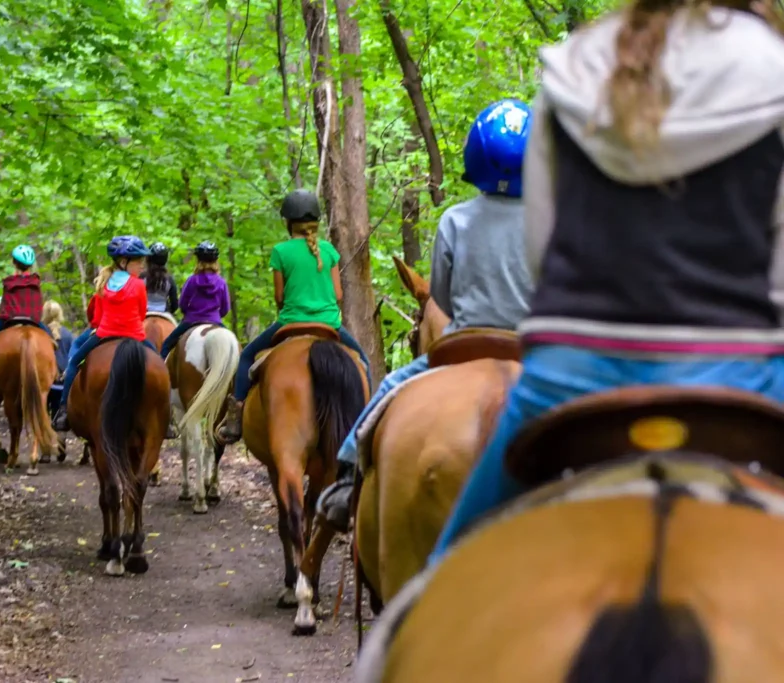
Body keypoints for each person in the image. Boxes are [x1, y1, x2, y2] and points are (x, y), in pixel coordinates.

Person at [426, 0, 784, 565]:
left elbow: (543, 256)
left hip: (570, 378)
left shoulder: (574, 66)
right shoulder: (773, 65)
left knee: (444, 582)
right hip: (743, 377)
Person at [316, 99, 535, 531]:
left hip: (466, 347)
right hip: (533, 352)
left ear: (476, 157)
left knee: (388, 389)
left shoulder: (454, 221)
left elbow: (444, 300)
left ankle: (345, 478)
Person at [217, 190, 372, 444]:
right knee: (362, 362)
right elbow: (338, 294)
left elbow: (279, 296)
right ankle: (369, 419)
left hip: (291, 321)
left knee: (246, 357)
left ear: (288, 222)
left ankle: (235, 418)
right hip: (329, 324)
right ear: (316, 221)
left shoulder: (281, 251)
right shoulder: (329, 251)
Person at [51, 236, 156, 431]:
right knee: (160, 365)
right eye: (137, 261)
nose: (142, 265)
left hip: (103, 335)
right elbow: (142, 314)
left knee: (74, 363)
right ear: (123, 262)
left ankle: (63, 410)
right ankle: (166, 416)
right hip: (135, 336)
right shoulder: (138, 285)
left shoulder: (105, 283)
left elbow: (99, 314)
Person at [0, 245, 52, 375]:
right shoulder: (36, 282)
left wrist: (2, 317)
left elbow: (5, 305)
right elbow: (38, 304)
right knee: (50, 338)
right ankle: (58, 367)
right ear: (30, 265)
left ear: (14, 263)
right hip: (32, 320)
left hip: (11, 319)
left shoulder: (9, 283)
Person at [160, 241, 232, 358]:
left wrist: (188, 313)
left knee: (166, 345)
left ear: (198, 261)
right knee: (234, 347)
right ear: (216, 261)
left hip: (191, 320)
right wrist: (214, 315)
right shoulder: (221, 282)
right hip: (214, 320)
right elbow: (225, 308)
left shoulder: (192, 280)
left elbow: (182, 304)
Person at [143, 242, 179, 315]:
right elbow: (174, 303)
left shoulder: (142, 276)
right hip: (164, 312)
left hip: (144, 312)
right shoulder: (169, 278)